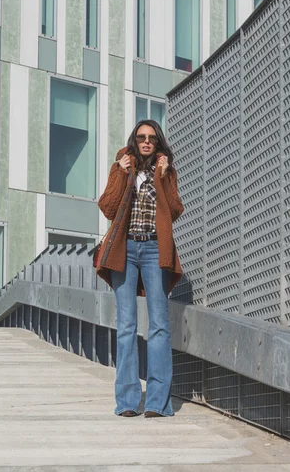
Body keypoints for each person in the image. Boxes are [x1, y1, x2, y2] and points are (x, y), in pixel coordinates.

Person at [95, 119, 184, 418]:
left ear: (158, 142)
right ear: (134, 139)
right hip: (126, 249)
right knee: (127, 326)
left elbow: (174, 211)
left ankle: (158, 403)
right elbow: (107, 208)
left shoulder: (166, 169)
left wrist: (162, 176)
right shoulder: (122, 164)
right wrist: (120, 174)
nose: (146, 141)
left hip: (155, 249)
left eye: (152, 138)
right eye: (141, 136)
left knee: (159, 325)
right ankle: (128, 402)